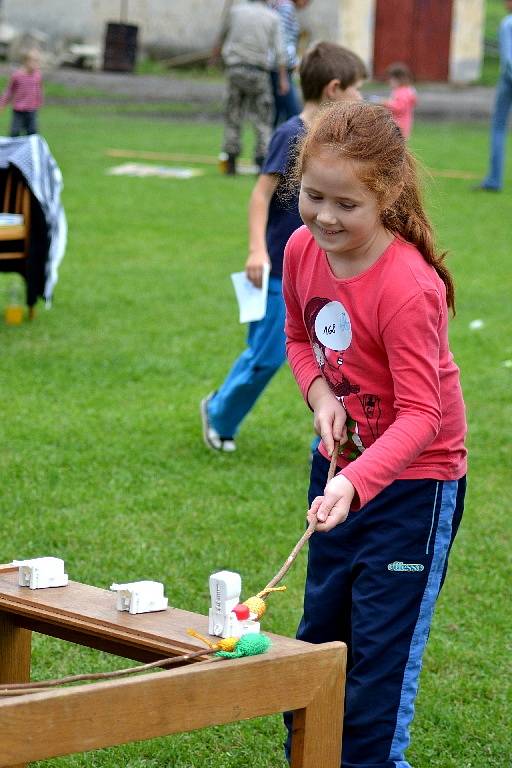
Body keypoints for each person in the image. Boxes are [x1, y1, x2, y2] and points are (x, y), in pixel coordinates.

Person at [282, 100, 467, 767]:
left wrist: (357, 484)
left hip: (414, 490)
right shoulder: (302, 249)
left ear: (386, 195)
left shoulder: (407, 287)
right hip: (339, 475)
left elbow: (425, 415)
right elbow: (299, 337)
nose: (325, 217)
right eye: (313, 196)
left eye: (346, 205)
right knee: (318, 647)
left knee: (376, 670)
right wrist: (320, 393)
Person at [201, 42, 366, 452]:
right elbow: (260, 196)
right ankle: (219, 412)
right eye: (357, 88)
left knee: (335, 362)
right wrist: (257, 251)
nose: (362, 97)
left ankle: (333, 444)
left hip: (323, 274)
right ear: (333, 89)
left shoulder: (334, 142)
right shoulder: (291, 135)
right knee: (268, 355)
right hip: (277, 270)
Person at [212, 0, 288, 175]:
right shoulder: (272, 17)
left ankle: (230, 159)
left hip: (235, 69)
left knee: (233, 115)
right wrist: (283, 79)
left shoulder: (235, 11)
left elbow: (221, 36)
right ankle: (262, 161)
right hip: (258, 73)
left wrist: (215, 58)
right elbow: (280, 51)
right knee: (262, 119)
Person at [475, 0, 512, 191]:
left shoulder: (508, 23)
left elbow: (508, 60)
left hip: (508, 80)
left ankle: (494, 180)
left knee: (498, 127)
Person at [269, 0, 311, 127]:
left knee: (277, 114)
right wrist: (289, 66)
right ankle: (298, 146)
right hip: (279, 68)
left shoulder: (280, 5)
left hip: (278, 66)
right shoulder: (286, 8)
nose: (307, 4)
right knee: (293, 113)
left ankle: (273, 145)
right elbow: (281, 40)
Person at [0, 49, 43, 137]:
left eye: (38, 61)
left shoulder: (37, 75)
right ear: (26, 61)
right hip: (18, 110)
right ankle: (13, 149)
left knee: (32, 132)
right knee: (15, 132)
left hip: (32, 110)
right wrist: (2, 104)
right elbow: (9, 91)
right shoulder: (17, 75)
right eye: (34, 61)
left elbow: (38, 89)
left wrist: (39, 101)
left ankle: (31, 150)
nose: (37, 64)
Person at [382, 61, 417, 139]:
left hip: (398, 124)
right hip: (406, 123)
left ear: (398, 79)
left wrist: (386, 103)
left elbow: (400, 107)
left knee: (395, 144)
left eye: (390, 79)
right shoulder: (409, 90)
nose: (389, 82)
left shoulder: (401, 92)